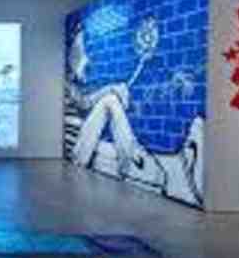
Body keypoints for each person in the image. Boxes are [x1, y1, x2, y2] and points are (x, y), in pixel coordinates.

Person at [66, 23, 204, 206]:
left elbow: (86, 101)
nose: (87, 58)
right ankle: (131, 158)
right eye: (81, 51)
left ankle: (133, 157)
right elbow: (83, 102)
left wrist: (112, 89)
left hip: (87, 143)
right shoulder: (69, 87)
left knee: (111, 99)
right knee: (110, 100)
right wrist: (111, 90)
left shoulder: (74, 85)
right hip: (80, 149)